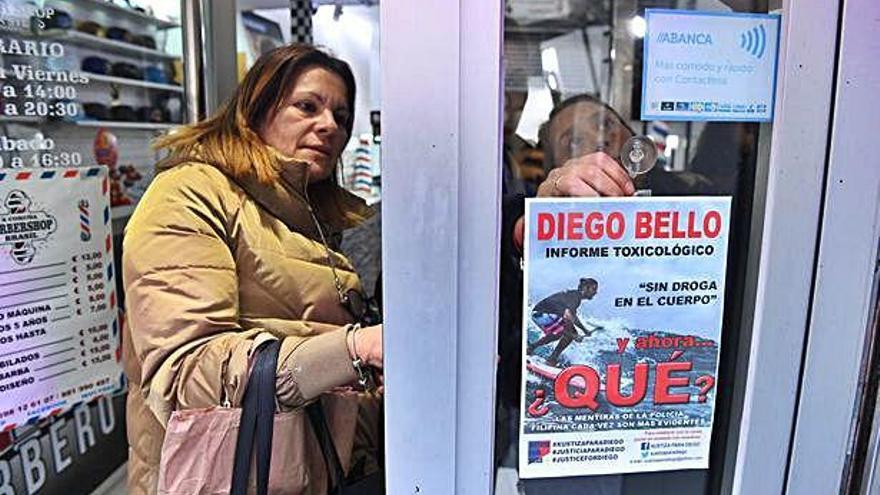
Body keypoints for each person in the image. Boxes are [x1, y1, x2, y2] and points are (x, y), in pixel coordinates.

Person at [121, 45, 383, 494]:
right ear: (256, 108)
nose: (329, 127)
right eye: (307, 106)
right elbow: (186, 373)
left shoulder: (312, 216)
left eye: (341, 116)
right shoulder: (189, 194)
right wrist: (354, 348)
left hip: (317, 469)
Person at [527, 278, 601, 366]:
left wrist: (584, 330)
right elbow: (567, 316)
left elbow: (573, 316)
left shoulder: (574, 296)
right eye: (594, 289)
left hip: (541, 314)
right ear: (585, 288)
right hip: (541, 314)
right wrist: (574, 335)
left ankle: (535, 349)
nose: (595, 292)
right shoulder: (575, 297)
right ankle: (550, 358)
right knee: (566, 333)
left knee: (564, 334)